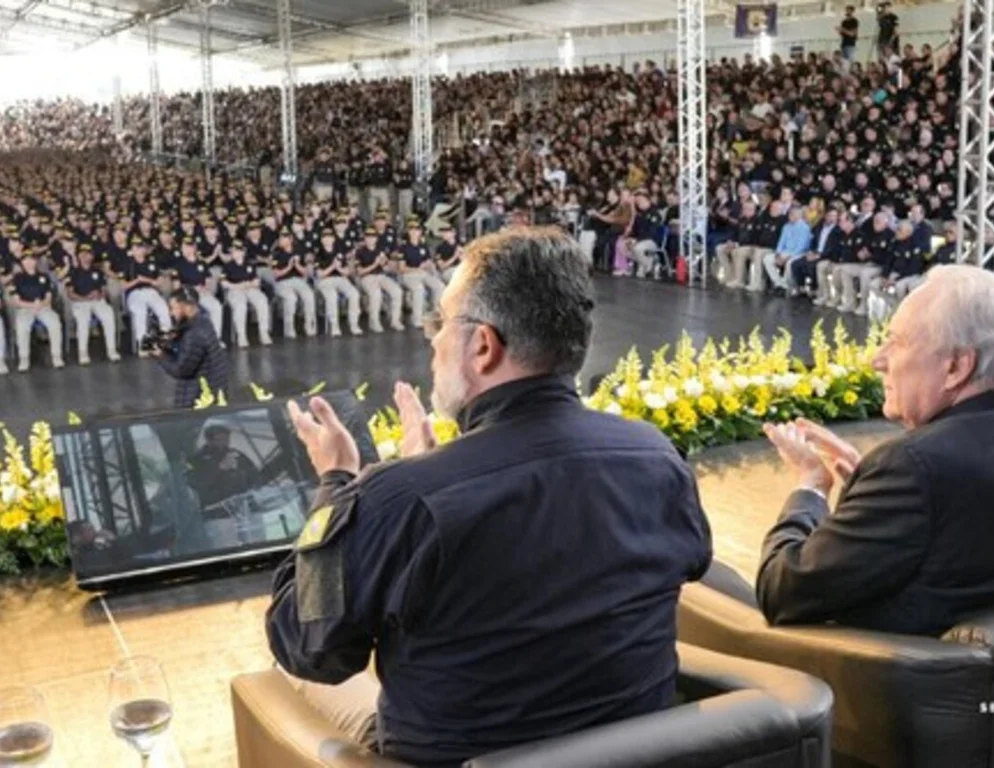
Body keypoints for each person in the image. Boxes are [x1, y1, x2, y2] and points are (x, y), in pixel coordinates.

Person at [266, 228, 712, 765]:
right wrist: (423, 476)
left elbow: (307, 644)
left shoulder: (404, 501)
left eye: (440, 324)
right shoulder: (656, 458)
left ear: (482, 345)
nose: (431, 341)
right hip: (638, 753)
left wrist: (338, 486)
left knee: (281, 679)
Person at [757, 265, 994, 635]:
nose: (877, 360)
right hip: (987, 686)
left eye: (897, 342)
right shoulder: (916, 470)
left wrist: (811, 488)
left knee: (700, 582)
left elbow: (780, 592)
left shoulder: (913, 468)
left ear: (957, 367)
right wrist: (866, 489)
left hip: (865, 682)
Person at [154, 287, 230, 409]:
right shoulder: (203, 322)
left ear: (186, 307)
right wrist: (169, 343)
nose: (171, 313)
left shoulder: (194, 334)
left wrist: (159, 355)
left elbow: (181, 370)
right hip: (212, 388)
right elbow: (187, 350)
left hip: (201, 397)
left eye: (173, 308)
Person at [66, 245, 120, 365]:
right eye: (82, 253)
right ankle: (83, 352)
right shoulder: (73, 272)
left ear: (92, 256)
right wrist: (84, 298)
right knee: (83, 319)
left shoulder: (97, 271)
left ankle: (111, 349)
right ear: (78, 256)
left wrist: (99, 293)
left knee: (108, 314)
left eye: (88, 253)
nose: (85, 256)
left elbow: (104, 289)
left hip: (97, 300)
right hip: (80, 302)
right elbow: (70, 293)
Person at [11, 249, 63, 372]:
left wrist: (41, 304)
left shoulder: (43, 276)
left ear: (35, 261)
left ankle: (56, 356)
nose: (29, 262)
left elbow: (48, 298)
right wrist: (31, 305)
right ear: (22, 263)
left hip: (43, 307)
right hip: (25, 308)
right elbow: (16, 300)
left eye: (31, 259)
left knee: (55, 323)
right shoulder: (17, 278)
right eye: (25, 260)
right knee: (22, 326)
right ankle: (24, 358)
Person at [124, 238, 172, 355]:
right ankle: (143, 344)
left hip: (151, 291)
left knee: (163, 309)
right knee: (141, 312)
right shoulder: (128, 264)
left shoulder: (151, 262)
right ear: (132, 250)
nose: (139, 251)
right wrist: (137, 281)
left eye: (140, 248)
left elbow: (158, 280)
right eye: (136, 248)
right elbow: (124, 285)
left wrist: (147, 280)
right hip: (134, 292)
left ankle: (164, 342)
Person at [222, 241, 272, 348]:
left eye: (237, 251)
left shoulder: (250, 264)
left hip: (250, 288)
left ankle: (264, 333)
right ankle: (241, 335)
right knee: (241, 305)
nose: (234, 253)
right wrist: (236, 286)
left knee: (262, 300)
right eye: (233, 251)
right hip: (235, 289)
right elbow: (223, 283)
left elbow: (257, 280)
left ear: (242, 253)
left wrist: (250, 283)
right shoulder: (228, 266)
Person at [395, 220, 444, 328]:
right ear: (408, 232)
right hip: (409, 275)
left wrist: (431, 266)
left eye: (417, 230)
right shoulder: (403, 247)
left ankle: (436, 315)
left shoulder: (423, 246)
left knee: (439, 286)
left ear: (420, 232)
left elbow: (428, 261)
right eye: (412, 230)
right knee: (419, 289)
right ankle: (417, 319)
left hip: (423, 273)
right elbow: (401, 268)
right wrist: (417, 268)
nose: (414, 232)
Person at [173, 237, 223, 342]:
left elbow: (208, 279)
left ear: (194, 248)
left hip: (202, 293)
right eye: (184, 247)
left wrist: (205, 287)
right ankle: (188, 341)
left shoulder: (201, 263)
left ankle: (215, 339)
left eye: (188, 247)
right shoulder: (178, 264)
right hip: (187, 295)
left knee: (216, 307)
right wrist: (191, 288)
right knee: (189, 310)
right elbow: (176, 286)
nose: (185, 249)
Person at [314, 228, 363, 337]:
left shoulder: (339, 252)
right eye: (325, 237)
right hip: (324, 280)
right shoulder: (319, 253)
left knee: (354, 294)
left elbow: (347, 271)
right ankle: (334, 325)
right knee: (332, 296)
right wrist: (333, 266)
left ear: (333, 239)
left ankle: (354, 324)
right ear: (322, 240)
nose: (328, 239)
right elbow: (319, 274)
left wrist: (340, 269)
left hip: (340, 278)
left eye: (330, 237)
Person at [354, 228, 404, 333]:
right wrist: (375, 264)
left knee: (397, 291)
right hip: (367, 277)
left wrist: (386, 262)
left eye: (373, 237)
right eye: (368, 237)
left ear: (376, 239)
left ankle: (395, 320)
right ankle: (374, 321)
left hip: (381, 275)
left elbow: (387, 268)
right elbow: (360, 272)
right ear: (365, 239)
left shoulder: (380, 250)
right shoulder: (360, 252)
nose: (370, 239)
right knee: (376, 294)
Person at [271, 231, 317, 339]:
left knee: (309, 295)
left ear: (290, 240)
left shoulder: (298, 251)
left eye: (284, 238)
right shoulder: (276, 253)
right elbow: (275, 274)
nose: (281, 240)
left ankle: (308, 325)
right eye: (281, 238)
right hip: (282, 282)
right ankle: (289, 328)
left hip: (298, 279)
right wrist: (288, 267)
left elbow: (305, 272)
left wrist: (297, 265)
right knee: (291, 298)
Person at [762, 205, 812, 295]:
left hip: (799, 253)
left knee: (790, 263)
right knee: (767, 259)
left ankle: (785, 286)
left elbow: (802, 246)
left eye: (793, 214)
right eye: (790, 214)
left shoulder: (805, 228)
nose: (790, 216)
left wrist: (788, 256)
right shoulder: (786, 227)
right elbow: (781, 242)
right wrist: (778, 254)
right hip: (785, 252)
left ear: (799, 215)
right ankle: (779, 284)